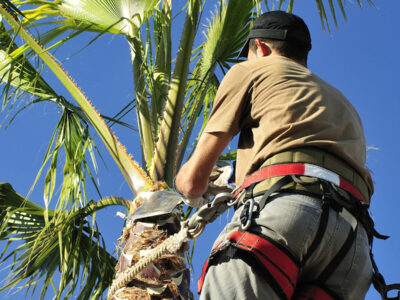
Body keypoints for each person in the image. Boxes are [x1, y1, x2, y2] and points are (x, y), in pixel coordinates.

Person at [175, 11, 374, 300]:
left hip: (286, 217)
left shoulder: (253, 70)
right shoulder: (342, 103)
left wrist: (186, 188)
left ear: (262, 48)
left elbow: (193, 183)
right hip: (352, 248)